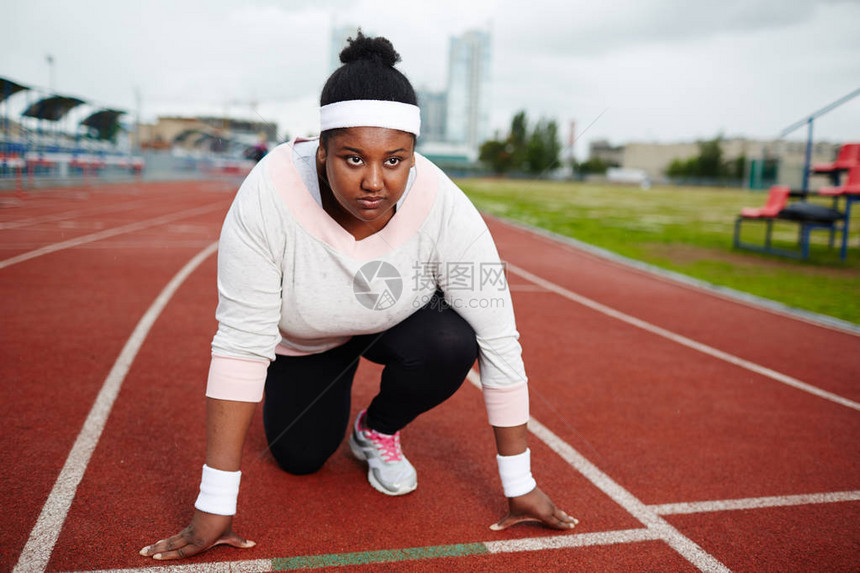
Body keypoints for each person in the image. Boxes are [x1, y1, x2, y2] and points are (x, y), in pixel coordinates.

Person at [140, 31, 577, 561]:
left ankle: (376, 430)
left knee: (451, 339)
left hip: (397, 320)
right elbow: (240, 343)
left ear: (414, 158)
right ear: (320, 150)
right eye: (353, 159)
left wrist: (519, 483)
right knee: (300, 458)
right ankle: (323, 408)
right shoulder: (268, 193)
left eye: (394, 161)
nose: (374, 182)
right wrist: (215, 504)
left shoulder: (443, 203)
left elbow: (499, 339)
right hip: (308, 343)